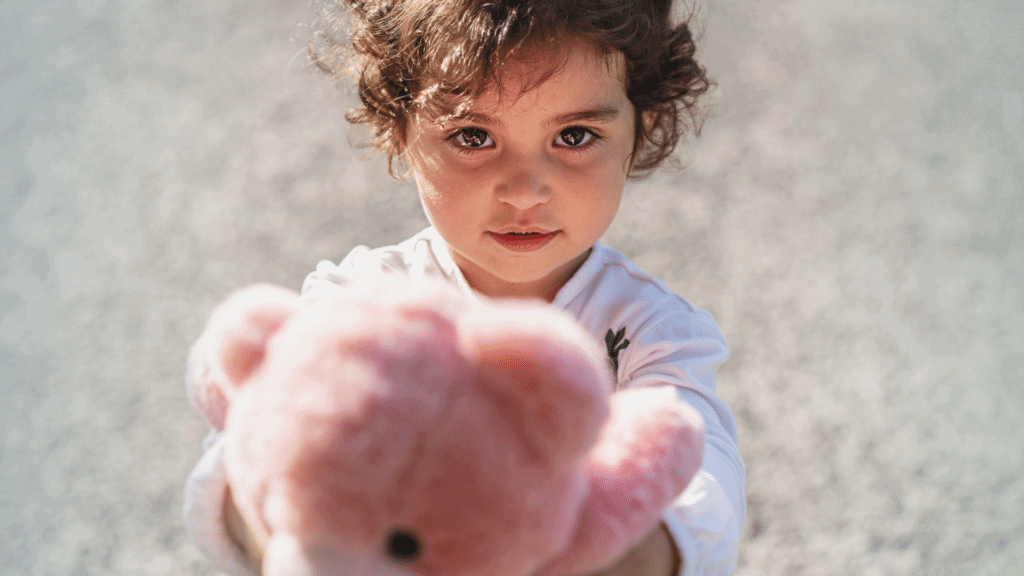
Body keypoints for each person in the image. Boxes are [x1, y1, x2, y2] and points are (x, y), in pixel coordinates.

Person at [184, 0, 746, 575]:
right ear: (400, 128)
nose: (526, 190)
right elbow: (236, 463)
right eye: (474, 137)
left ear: (641, 126)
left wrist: (566, 542)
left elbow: (703, 501)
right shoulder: (360, 304)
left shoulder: (651, 332)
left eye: (574, 136)